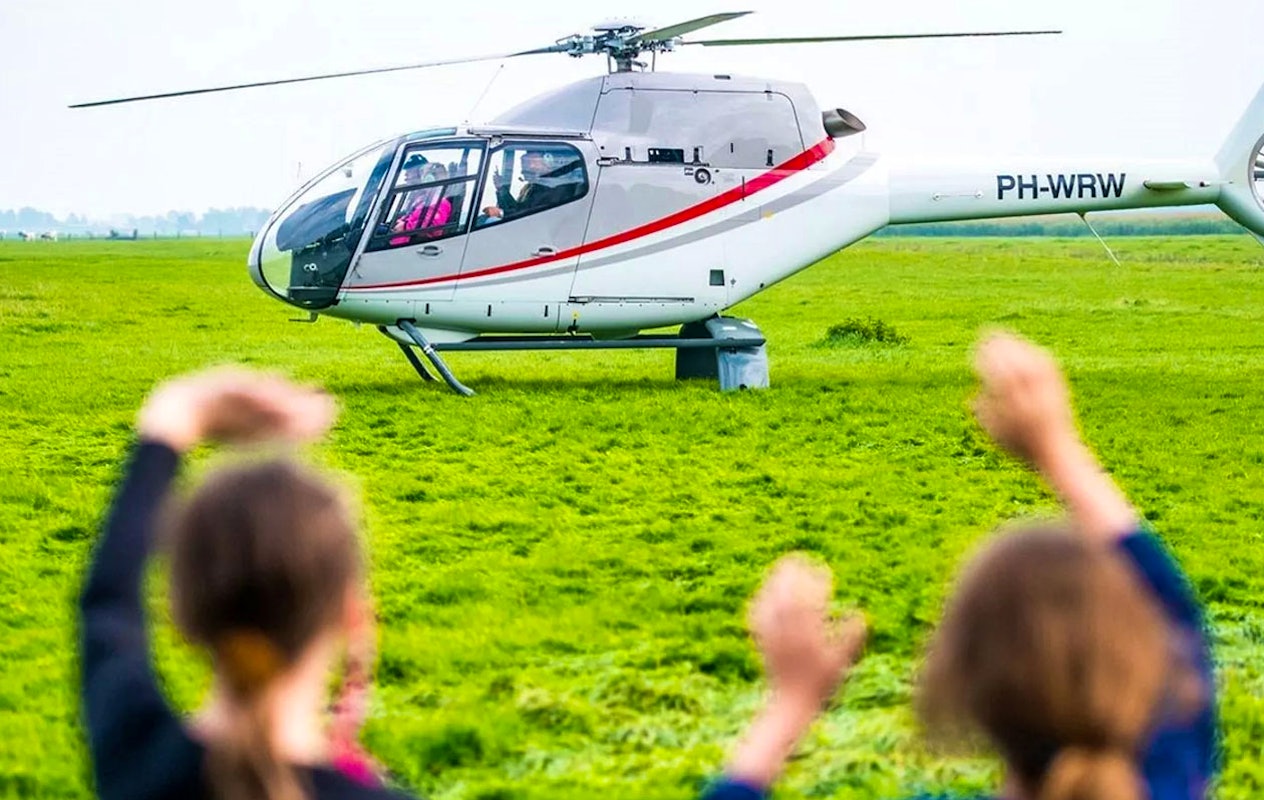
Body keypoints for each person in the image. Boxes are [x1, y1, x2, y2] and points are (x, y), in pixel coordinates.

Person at [702, 331, 1215, 800]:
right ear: (1142, 665)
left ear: (959, 680)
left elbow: (1176, 622)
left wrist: (789, 707)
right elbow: (1174, 614)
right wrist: (1059, 449)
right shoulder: (1170, 773)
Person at [78, 367, 415, 800]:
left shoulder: (134, 755)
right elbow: (106, 603)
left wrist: (178, 416)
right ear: (351, 613)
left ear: (179, 609)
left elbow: (108, 603)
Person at [479, 148, 581, 222]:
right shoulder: (530, 187)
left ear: (547, 160)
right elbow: (517, 208)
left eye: (529, 164)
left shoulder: (557, 186)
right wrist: (501, 189)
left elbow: (529, 213)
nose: (524, 170)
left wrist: (501, 213)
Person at [389, 161, 452, 246]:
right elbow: (410, 217)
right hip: (398, 242)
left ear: (430, 179)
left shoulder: (441, 203)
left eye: (423, 176)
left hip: (410, 246)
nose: (421, 180)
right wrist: (400, 222)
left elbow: (432, 226)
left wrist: (405, 226)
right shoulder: (423, 200)